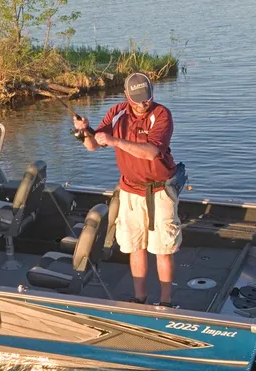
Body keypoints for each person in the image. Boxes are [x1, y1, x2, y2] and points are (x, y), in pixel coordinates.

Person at [73, 72, 182, 307]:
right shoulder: (117, 112)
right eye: (138, 99)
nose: (143, 104)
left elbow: (151, 152)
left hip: (160, 191)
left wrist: (115, 141)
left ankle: (166, 302)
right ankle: (140, 298)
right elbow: (93, 145)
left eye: (147, 98)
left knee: (163, 248)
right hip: (130, 191)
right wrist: (83, 132)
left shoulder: (161, 114)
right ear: (126, 95)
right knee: (135, 246)